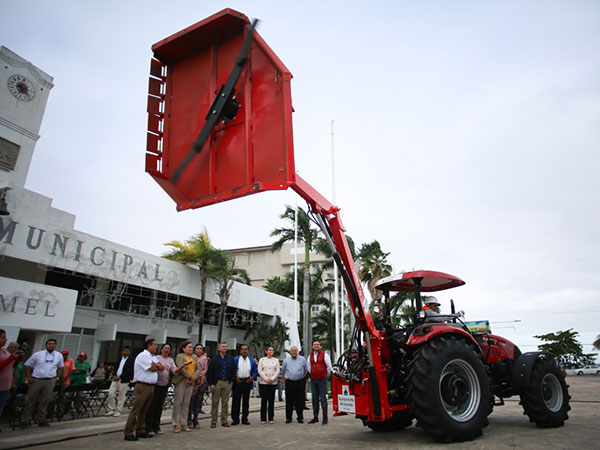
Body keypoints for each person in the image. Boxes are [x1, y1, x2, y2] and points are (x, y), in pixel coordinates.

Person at [123, 339, 162, 441]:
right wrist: (156, 366)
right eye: (154, 345)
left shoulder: (152, 357)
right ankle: (129, 432)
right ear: (149, 346)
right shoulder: (143, 356)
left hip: (150, 386)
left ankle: (140, 429)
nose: (156, 347)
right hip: (142, 386)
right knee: (137, 409)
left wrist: (157, 366)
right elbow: (152, 368)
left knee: (144, 410)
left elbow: (161, 367)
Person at [20, 338, 64, 428]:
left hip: (50, 380)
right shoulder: (38, 354)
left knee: (45, 401)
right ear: (46, 345)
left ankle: (41, 419)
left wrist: (57, 377)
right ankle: (24, 420)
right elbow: (27, 365)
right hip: (37, 380)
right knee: (31, 400)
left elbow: (60, 367)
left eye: (53, 344)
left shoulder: (59, 355)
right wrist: (28, 377)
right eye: (49, 344)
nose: (51, 345)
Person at [146, 343, 185, 435]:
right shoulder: (156, 358)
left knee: (159, 406)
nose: (167, 350)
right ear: (161, 349)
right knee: (152, 406)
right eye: (165, 348)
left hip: (164, 385)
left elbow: (174, 371)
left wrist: (182, 366)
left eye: (168, 349)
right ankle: (149, 426)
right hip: (155, 384)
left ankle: (156, 426)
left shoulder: (171, 360)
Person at [206, 342, 236, 428]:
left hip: (227, 382)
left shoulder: (230, 359)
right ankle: (214, 420)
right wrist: (211, 383)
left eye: (226, 347)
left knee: (225, 402)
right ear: (219, 348)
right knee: (215, 402)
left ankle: (224, 420)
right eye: (223, 347)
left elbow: (234, 369)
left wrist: (231, 380)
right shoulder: (215, 359)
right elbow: (210, 371)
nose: (224, 348)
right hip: (217, 382)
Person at [171, 341, 198, 433]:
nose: (191, 349)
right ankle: (175, 423)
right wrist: (189, 376)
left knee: (186, 403)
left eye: (191, 347)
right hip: (181, 381)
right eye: (189, 347)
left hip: (190, 382)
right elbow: (180, 368)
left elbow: (198, 368)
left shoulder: (194, 357)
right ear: (184, 348)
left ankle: (184, 422)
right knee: (178, 402)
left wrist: (194, 377)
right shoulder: (180, 356)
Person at [231, 344, 258, 426]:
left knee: (246, 402)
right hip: (238, 381)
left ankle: (245, 418)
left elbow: (255, 370)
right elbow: (231, 370)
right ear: (240, 351)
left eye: (246, 349)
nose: (244, 350)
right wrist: (235, 378)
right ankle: (235, 419)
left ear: (248, 351)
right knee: (236, 401)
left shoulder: (251, 360)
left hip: (247, 381)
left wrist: (252, 377)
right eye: (242, 349)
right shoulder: (236, 359)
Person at [307, 341, 332, 425]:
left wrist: (323, 373)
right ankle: (315, 417)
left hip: (322, 380)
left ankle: (325, 418)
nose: (316, 346)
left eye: (317, 344)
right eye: (314, 344)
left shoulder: (324, 355)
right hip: (314, 380)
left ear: (320, 346)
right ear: (312, 346)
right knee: (314, 399)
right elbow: (308, 366)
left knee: (323, 399)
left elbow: (329, 366)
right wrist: (313, 374)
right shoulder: (310, 356)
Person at [0, 331, 24, 420]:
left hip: (5, 386)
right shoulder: (7, 353)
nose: (6, 339)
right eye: (3, 337)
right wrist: (12, 358)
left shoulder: (5, 352)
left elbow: (12, 366)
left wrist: (19, 358)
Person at [281, 345, 307, 423]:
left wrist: (302, 377)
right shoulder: (286, 360)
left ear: (297, 351)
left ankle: (300, 417)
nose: (294, 352)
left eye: (295, 351)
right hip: (290, 382)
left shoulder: (302, 359)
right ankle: (289, 418)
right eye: (292, 351)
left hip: (300, 382)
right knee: (289, 401)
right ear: (290, 352)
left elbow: (305, 370)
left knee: (300, 400)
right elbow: (283, 371)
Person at [106, 346, 134, 417]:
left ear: (129, 352)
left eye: (127, 351)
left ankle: (118, 410)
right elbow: (115, 368)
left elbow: (129, 370)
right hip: (115, 379)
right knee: (111, 393)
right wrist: (115, 375)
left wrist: (120, 377)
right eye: (124, 351)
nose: (125, 352)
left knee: (121, 396)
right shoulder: (119, 360)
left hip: (124, 380)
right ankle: (111, 409)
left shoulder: (131, 360)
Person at [187, 343, 208, 428]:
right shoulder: (191, 358)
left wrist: (199, 375)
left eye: (200, 348)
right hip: (192, 380)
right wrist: (194, 377)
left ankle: (195, 419)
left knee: (198, 401)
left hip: (201, 381)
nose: (199, 350)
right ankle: (189, 420)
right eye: (197, 348)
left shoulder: (204, 358)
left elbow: (205, 369)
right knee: (190, 401)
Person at [257, 346, 280, 424]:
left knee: (271, 401)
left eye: (272, 350)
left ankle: (271, 418)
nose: (271, 351)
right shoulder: (262, 360)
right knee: (264, 401)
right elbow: (260, 370)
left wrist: (272, 378)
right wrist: (266, 379)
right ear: (266, 351)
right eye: (270, 350)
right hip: (263, 382)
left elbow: (277, 371)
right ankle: (263, 418)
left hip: (272, 383)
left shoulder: (276, 360)